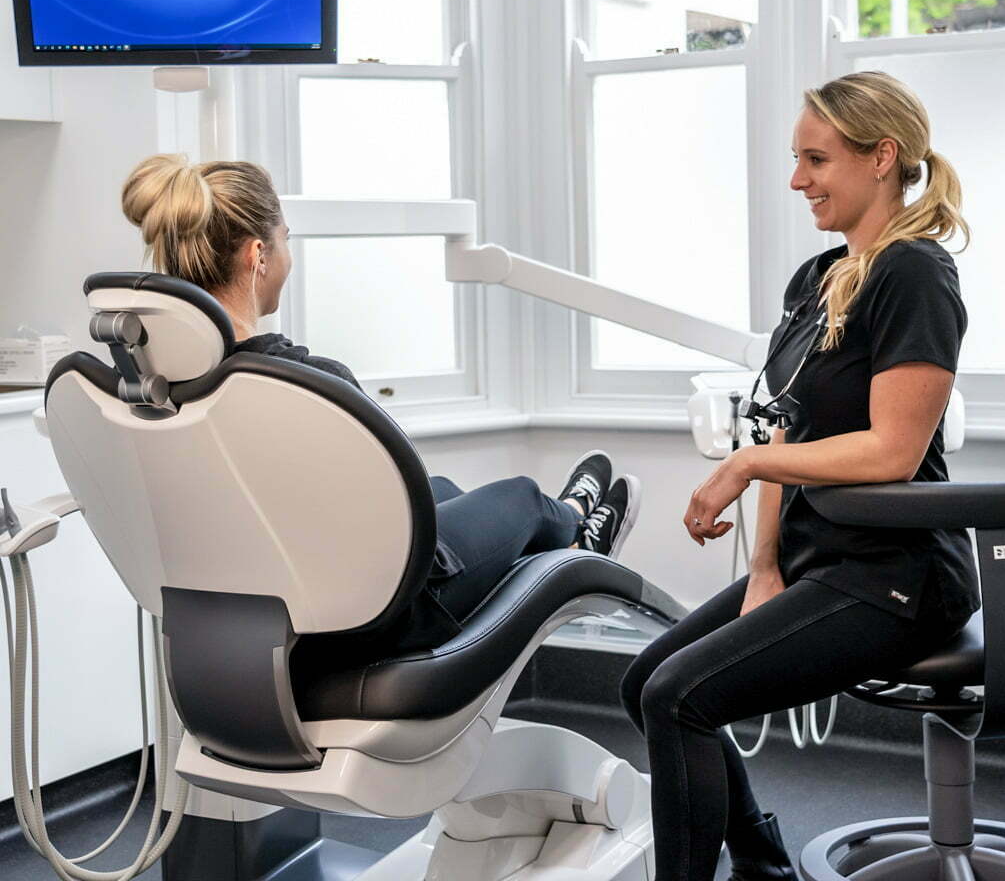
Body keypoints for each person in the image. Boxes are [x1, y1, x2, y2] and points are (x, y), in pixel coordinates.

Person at [619, 70, 980, 881]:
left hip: (897, 574)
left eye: (815, 160)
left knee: (680, 697)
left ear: (881, 157)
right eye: (796, 159)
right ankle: (763, 863)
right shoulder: (815, 280)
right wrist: (764, 567)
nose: (796, 180)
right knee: (646, 680)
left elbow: (890, 450)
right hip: (821, 559)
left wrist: (746, 465)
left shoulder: (915, 274)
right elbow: (783, 421)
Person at [119, 154, 641, 654]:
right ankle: (573, 529)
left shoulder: (161, 383)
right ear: (259, 255)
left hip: (261, 609)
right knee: (522, 497)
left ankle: (559, 543)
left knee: (444, 492)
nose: (288, 258)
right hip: (380, 616)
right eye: (285, 242)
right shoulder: (305, 384)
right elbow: (394, 481)